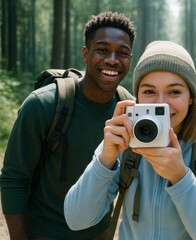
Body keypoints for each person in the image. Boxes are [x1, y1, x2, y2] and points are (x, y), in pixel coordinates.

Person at [64, 40, 196, 240]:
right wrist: (105, 159)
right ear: (136, 97)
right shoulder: (123, 143)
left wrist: (181, 178)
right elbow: (76, 219)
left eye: (174, 92)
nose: (161, 102)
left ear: (191, 97)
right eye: (149, 91)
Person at [0, 12, 136, 240]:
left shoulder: (129, 110)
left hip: (99, 233)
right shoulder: (43, 105)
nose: (112, 59)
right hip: (44, 233)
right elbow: (14, 179)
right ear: (85, 54)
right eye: (102, 50)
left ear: (130, 59)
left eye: (122, 53)